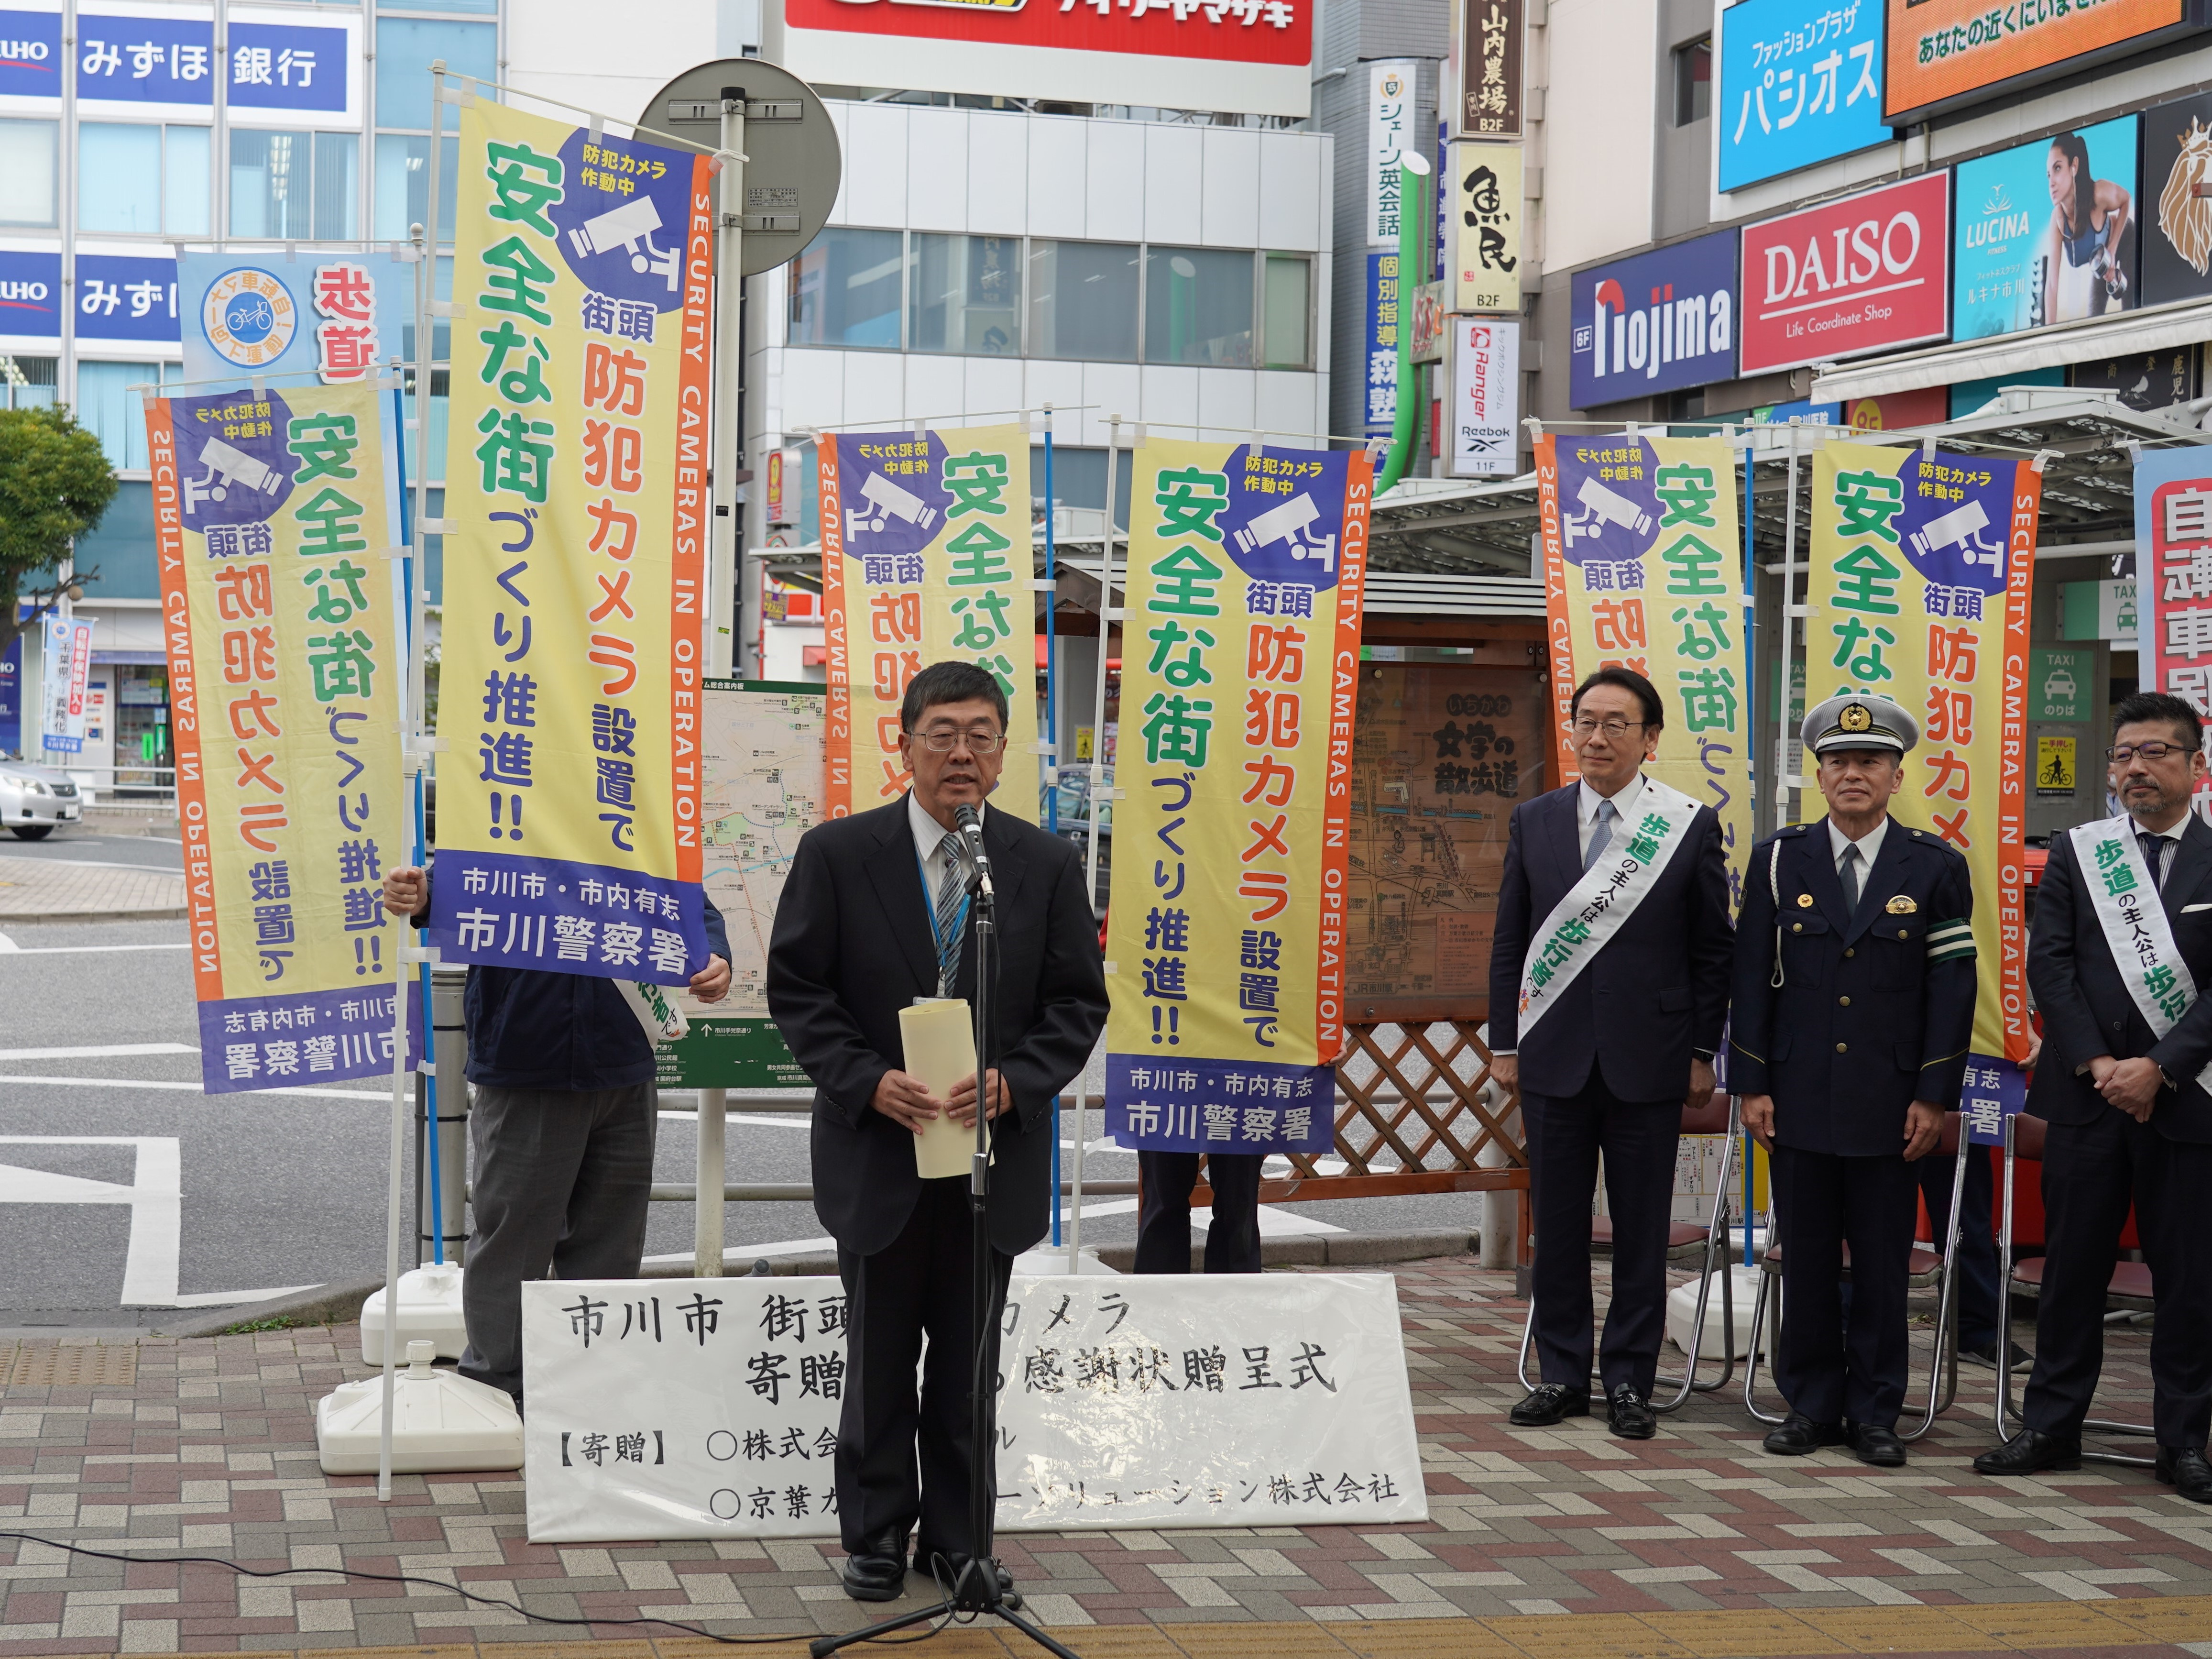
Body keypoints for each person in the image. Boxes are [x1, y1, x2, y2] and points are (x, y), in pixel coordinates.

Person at [766, 661, 1107, 1602]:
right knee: (878, 1360)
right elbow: (800, 989)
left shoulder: (1041, 863)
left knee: (967, 1367)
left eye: (981, 735)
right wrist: (866, 1080)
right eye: (943, 733)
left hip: (990, 1156)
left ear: (1002, 749)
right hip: (879, 1149)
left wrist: (1015, 1081)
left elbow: (1077, 1004)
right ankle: (876, 1532)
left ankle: (959, 1541)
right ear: (905, 743)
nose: (962, 752)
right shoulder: (840, 853)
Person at [379, 864, 733, 1413]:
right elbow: (467, 875)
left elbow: (681, 896)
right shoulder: (509, 816)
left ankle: (594, 1396)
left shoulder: (632, 823)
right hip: (526, 1059)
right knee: (514, 1238)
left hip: (624, 1060)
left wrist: (714, 952)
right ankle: (496, 1394)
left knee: (611, 1242)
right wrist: (424, 894)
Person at [1976, 693, 2212, 1501]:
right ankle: (2051, 1426)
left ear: (2195, 765)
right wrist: (2103, 1062)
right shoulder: (2081, 852)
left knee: (2189, 1281)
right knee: (2070, 1270)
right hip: (2087, 1095)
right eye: (2123, 755)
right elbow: (2049, 964)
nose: (2136, 768)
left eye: (2155, 752)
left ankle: (2183, 1442)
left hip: (2189, 1101)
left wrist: (2160, 1067)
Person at [1487, 667, 1732, 1441]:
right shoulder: (1535, 819)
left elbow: (1712, 951)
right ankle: (1562, 1372)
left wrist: (1701, 1050)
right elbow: (1511, 938)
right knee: (1558, 1227)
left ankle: (1629, 1377)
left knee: (1639, 1227)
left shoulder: (1685, 825)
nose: (1596, 737)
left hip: (1649, 1057)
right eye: (1585, 721)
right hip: (1553, 1054)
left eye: (1615, 724)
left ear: (1649, 738)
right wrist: (1503, 1040)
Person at [1730, 696, 1975, 1469]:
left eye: (1869, 761)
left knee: (1879, 1261)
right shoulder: (1779, 859)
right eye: (1837, 761)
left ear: (1896, 775)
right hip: (1796, 1094)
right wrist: (1751, 1082)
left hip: (1891, 1100)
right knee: (1804, 1258)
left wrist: (1933, 1094)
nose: (1852, 774)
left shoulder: (1933, 867)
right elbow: (1750, 978)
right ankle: (1808, 1404)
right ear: (1818, 774)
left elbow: (1953, 988)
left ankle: (1874, 1412)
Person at [2042, 131, 2132, 324]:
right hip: (2098, 260)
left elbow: (2126, 199)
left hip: (2125, 239)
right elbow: (2052, 285)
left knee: (2131, 310)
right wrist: (2048, 335)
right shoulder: (2057, 220)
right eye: (2048, 175)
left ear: (2074, 166)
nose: (2051, 182)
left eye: (2058, 168)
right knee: (2093, 316)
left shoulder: (2098, 194)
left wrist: (2112, 249)